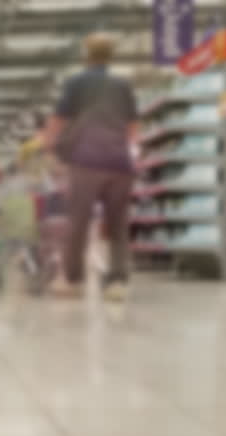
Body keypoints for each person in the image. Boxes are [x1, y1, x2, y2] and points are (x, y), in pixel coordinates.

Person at [45, 32, 138, 302]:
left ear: (86, 55)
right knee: (118, 225)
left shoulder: (76, 83)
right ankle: (117, 282)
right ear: (110, 56)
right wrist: (123, 149)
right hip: (119, 164)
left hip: (85, 163)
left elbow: (57, 120)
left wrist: (49, 148)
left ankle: (73, 280)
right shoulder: (123, 85)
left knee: (78, 223)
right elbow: (133, 128)